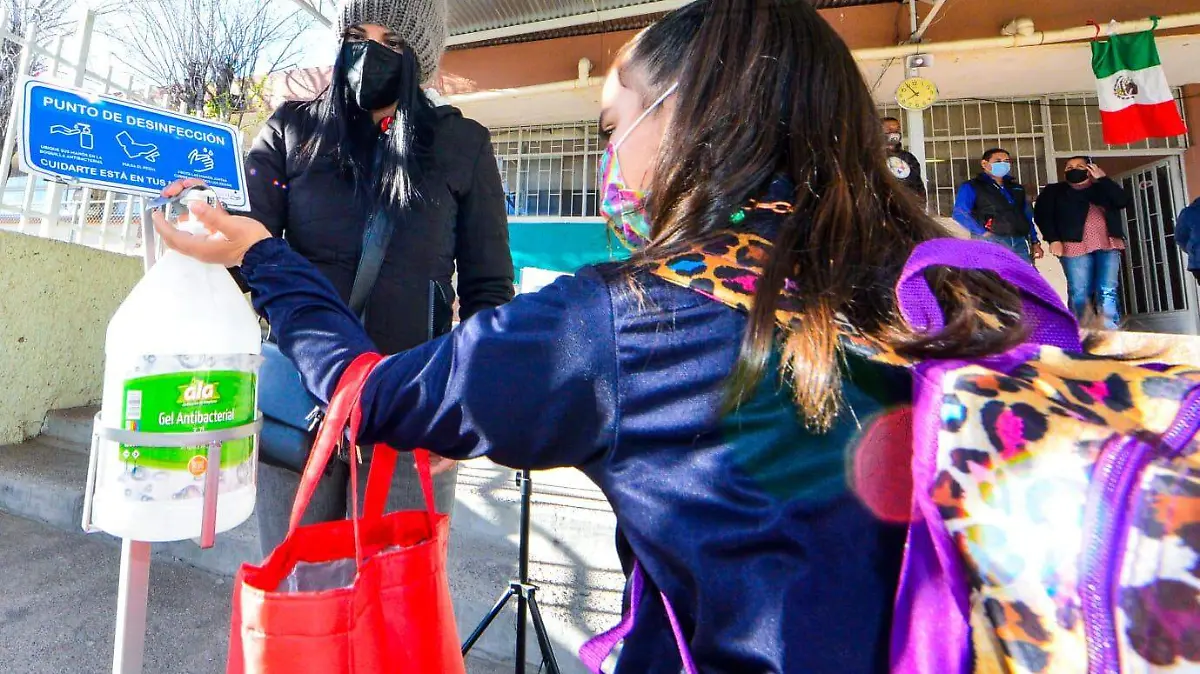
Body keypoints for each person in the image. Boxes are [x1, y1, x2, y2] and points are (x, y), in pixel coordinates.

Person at [157, 0, 1030, 670]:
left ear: (696, 116)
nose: (609, 159)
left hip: (401, 406)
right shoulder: (967, 292)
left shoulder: (623, 318)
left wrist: (266, 258)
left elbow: (382, 380)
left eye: (615, 127)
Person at [242, 0, 514, 552]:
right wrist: (192, 215)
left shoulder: (461, 144)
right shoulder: (291, 129)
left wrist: (470, 404)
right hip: (299, 400)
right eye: (356, 34)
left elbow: (488, 288)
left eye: (392, 42)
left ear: (423, 60)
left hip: (412, 407)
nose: (369, 54)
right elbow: (245, 249)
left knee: (395, 600)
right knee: (296, 586)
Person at [1035, 157, 1131, 329]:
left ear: (1090, 168)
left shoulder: (1102, 187)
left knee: (1107, 289)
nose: (1074, 169)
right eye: (1069, 167)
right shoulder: (1054, 191)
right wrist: (1053, 239)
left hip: (1108, 243)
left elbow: (1122, 200)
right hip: (1073, 246)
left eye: (1079, 166)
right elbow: (1043, 216)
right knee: (1079, 292)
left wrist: (1103, 178)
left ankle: (1110, 333)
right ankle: (1081, 332)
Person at [953, 148, 1044, 264]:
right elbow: (960, 213)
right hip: (990, 241)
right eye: (998, 161)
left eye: (1006, 161)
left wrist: (1035, 241)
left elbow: (1026, 216)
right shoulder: (972, 186)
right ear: (984, 164)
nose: (1003, 164)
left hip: (1019, 241)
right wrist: (983, 233)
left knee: (1021, 279)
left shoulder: (1016, 188)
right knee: (994, 279)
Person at [882, 116, 927, 203]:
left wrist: (919, 206)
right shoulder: (871, 157)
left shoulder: (908, 158)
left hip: (905, 209)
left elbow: (917, 185)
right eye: (889, 129)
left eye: (897, 129)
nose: (894, 133)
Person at [1176, 197, 1200, 283]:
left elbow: (1181, 238)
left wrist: (1193, 250)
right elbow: (1181, 238)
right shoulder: (1189, 212)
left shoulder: (1189, 212)